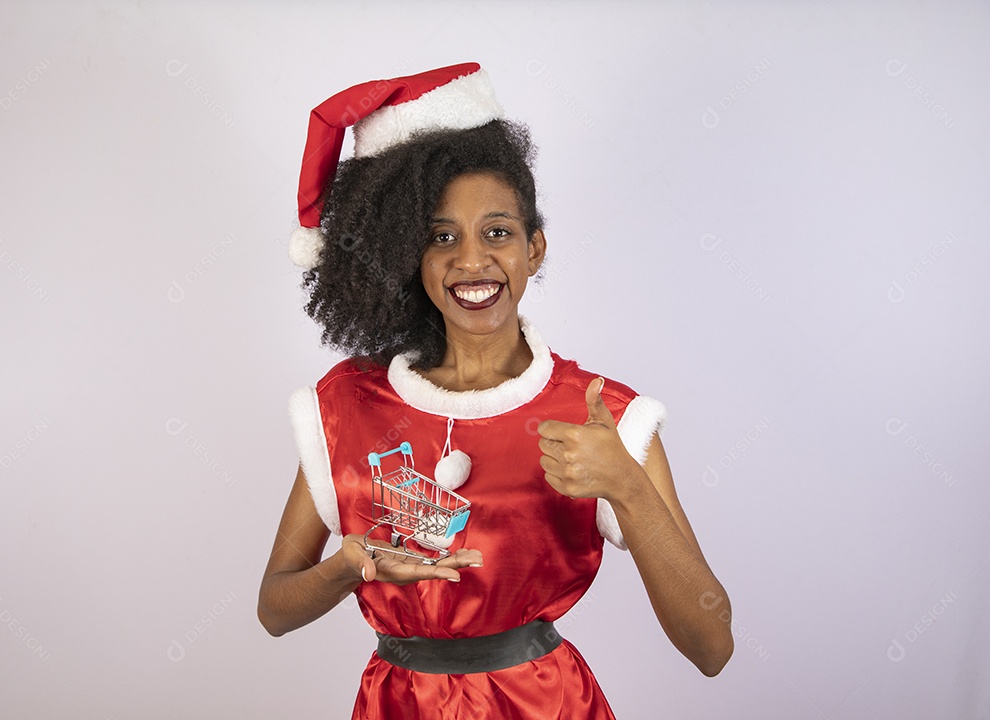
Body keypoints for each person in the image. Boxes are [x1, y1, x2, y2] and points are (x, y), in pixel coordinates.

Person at [258, 62, 733, 719]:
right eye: (440, 237)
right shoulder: (346, 409)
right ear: (409, 255)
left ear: (535, 249)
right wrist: (349, 565)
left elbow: (712, 646)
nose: (472, 260)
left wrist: (626, 484)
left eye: (498, 233)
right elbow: (274, 609)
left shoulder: (604, 419)